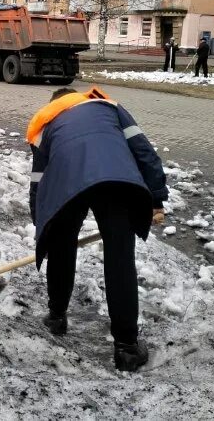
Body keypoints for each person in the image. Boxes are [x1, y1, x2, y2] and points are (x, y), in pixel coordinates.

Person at [27, 86, 168, 372]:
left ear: (55, 105)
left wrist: (42, 221)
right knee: (119, 259)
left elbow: (38, 182)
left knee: (61, 245)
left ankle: (56, 316)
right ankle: (127, 348)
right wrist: (156, 198)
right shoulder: (109, 107)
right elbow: (144, 151)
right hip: (116, 180)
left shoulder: (46, 123)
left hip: (67, 185)